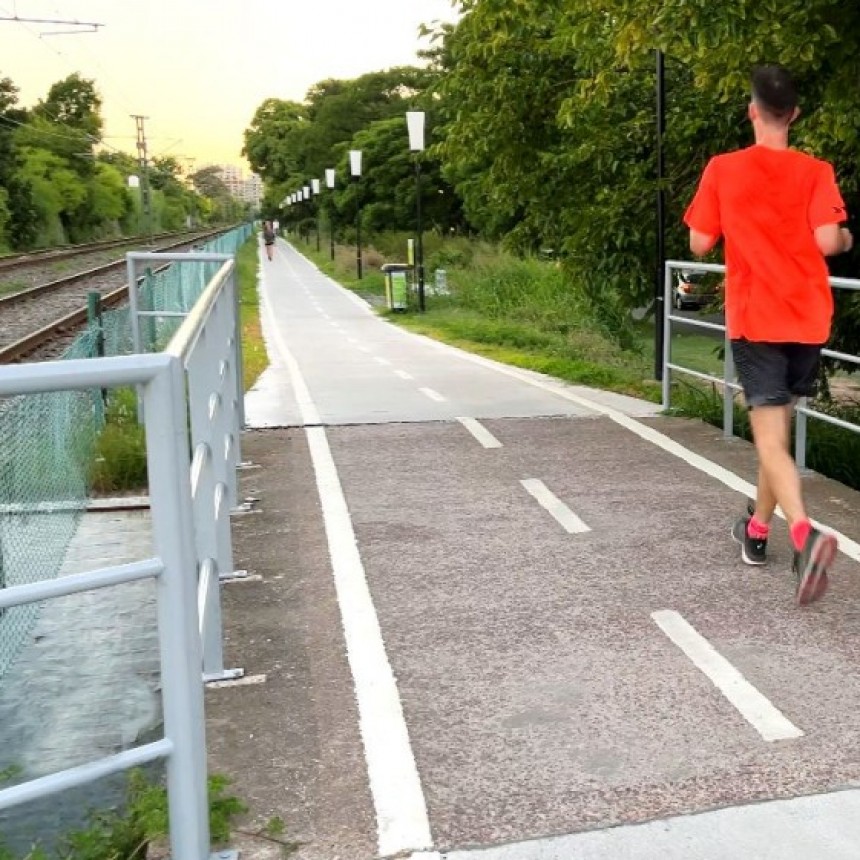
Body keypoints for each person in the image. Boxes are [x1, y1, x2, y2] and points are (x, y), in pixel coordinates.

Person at [684, 64, 853, 606]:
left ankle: (804, 535)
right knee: (776, 437)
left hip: (757, 318)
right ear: (794, 114)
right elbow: (828, 241)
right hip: (807, 319)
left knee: (770, 439)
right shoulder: (816, 170)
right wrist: (846, 236)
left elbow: (699, 244)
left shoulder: (724, 169)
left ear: (752, 111)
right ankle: (757, 533)